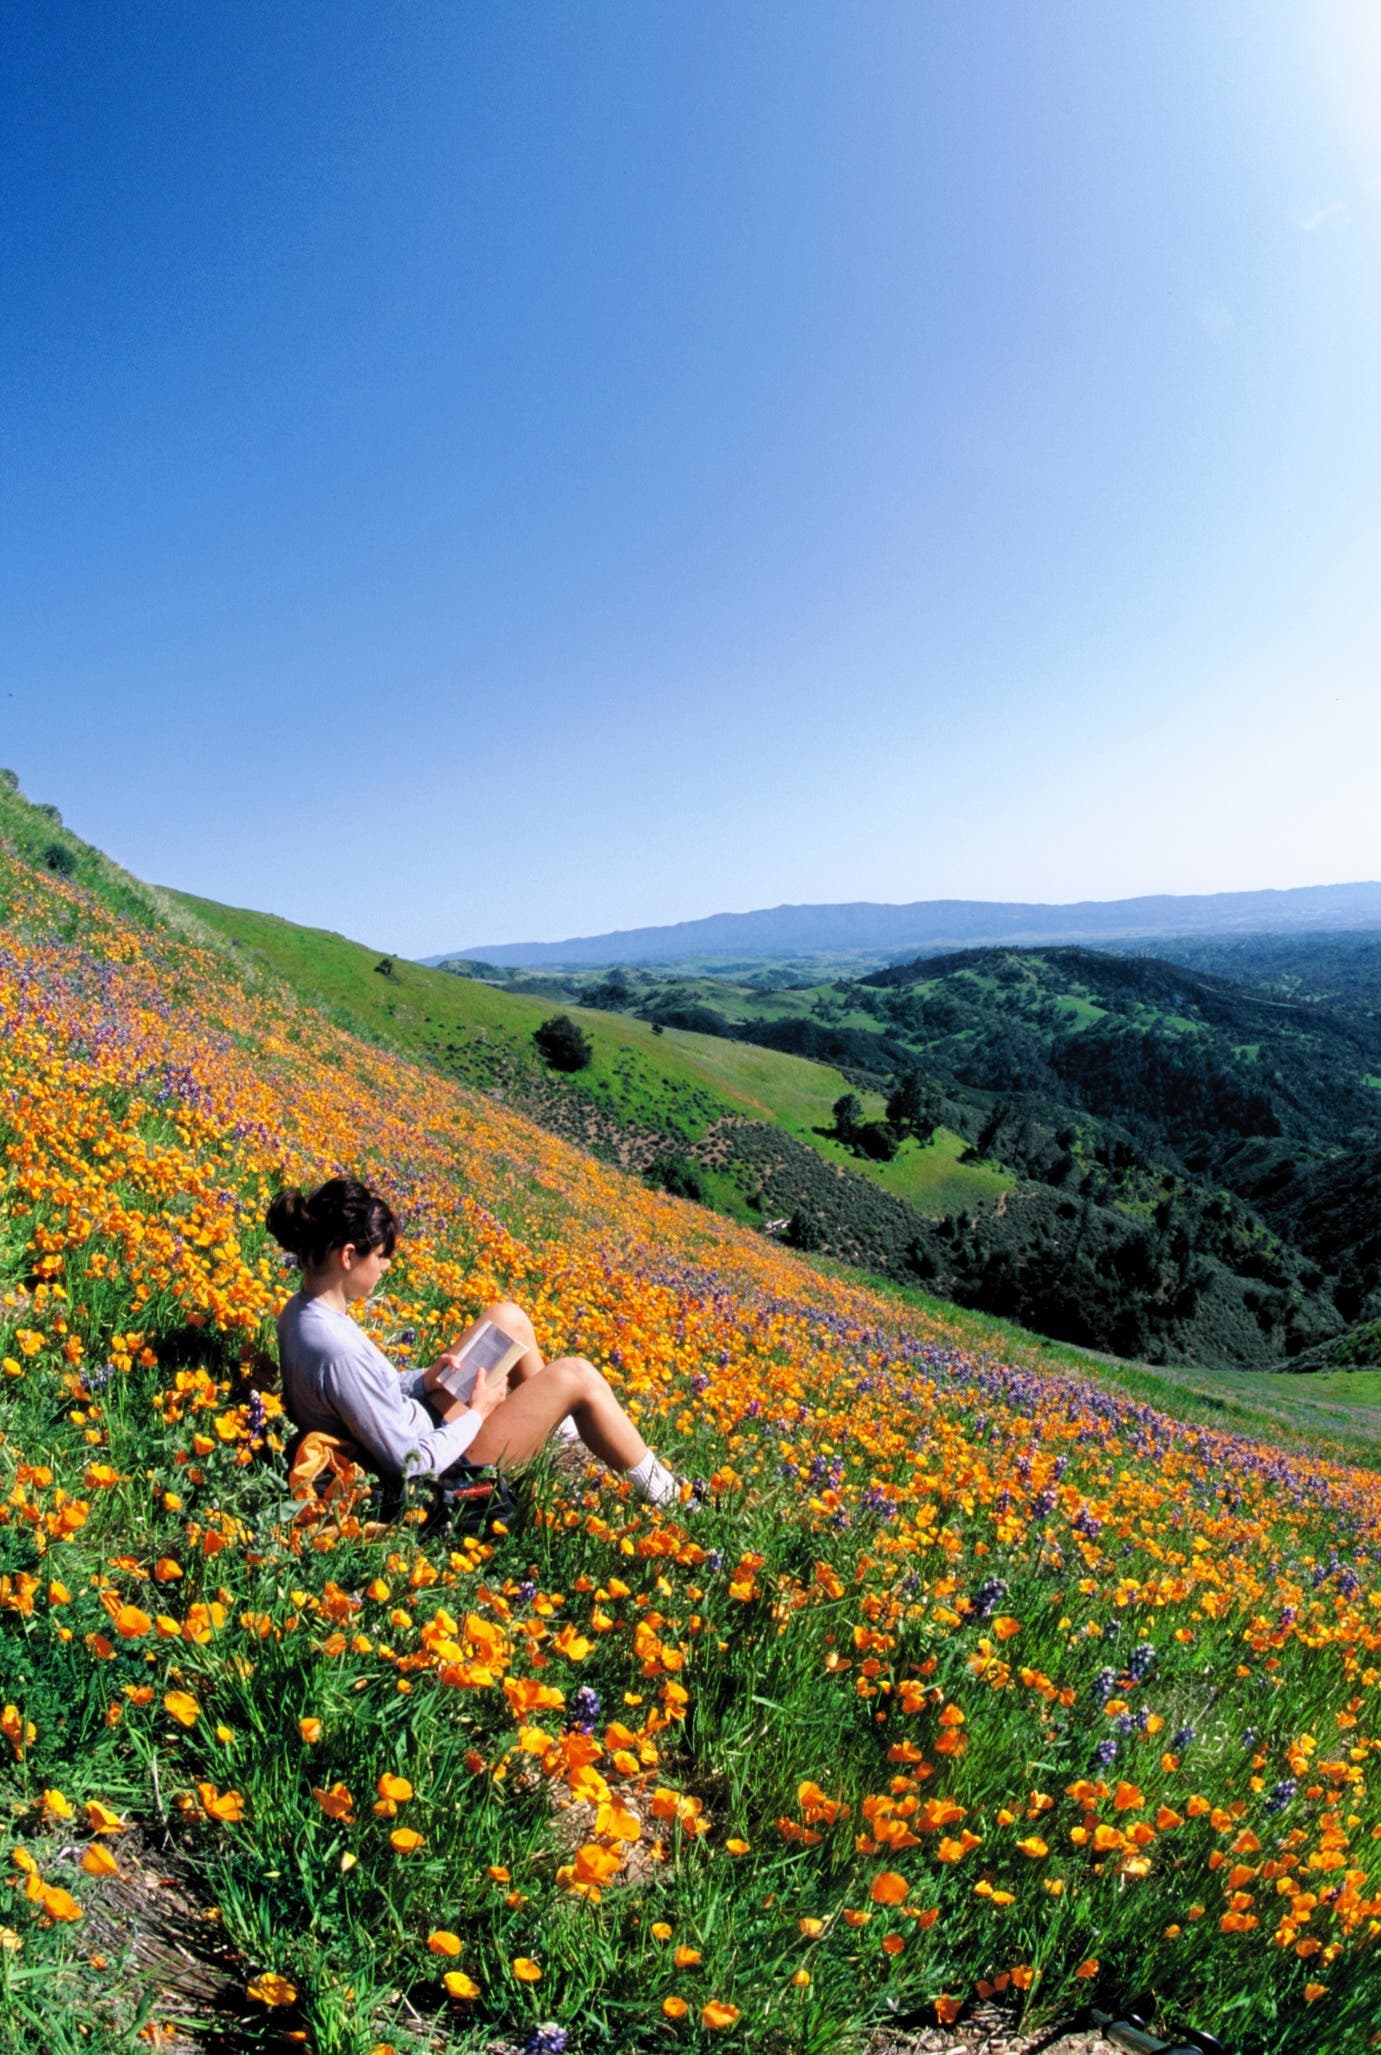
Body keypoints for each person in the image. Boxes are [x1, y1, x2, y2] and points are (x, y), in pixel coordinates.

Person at [267, 1177, 685, 1507]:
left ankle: (561, 1440)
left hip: (427, 1421)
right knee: (578, 1376)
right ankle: (670, 1497)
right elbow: (409, 1468)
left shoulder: (303, 1311)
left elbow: (362, 1398)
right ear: (347, 1256)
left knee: (510, 1320)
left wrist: (423, 1381)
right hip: (448, 1470)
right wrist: (477, 1413)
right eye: (379, 1257)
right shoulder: (336, 1349)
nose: (386, 1267)